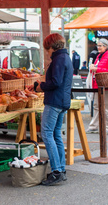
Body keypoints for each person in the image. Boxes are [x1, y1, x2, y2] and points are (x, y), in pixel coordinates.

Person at [30, 33, 73, 186]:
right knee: (55, 135)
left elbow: (55, 82)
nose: (47, 52)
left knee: (47, 134)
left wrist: (41, 86)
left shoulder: (58, 59)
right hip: (63, 101)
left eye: (47, 49)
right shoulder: (66, 58)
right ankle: (61, 169)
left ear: (52, 46)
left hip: (54, 102)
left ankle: (56, 171)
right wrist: (40, 85)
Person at [86, 38, 108, 134]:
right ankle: (94, 126)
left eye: (100, 45)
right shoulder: (99, 56)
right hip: (98, 84)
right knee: (96, 106)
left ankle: (107, 127)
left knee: (106, 107)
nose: (98, 47)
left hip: (107, 85)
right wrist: (93, 69)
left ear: (106, 46)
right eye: (98, 45)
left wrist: (96, 69)